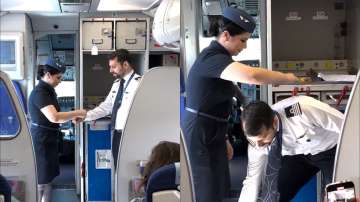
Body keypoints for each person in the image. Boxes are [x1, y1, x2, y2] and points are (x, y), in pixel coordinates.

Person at [180, 6, 307, 202]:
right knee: (203, 190)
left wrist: (223, 138)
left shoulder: (222, 59)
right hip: (199, 132)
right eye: (243, 40)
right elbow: (252, 75)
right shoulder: (212, 57)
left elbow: (221, 99)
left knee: (218, 188)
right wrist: (288, 78)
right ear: (226, 35)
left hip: (213, 130)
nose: (245, 46)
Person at [238, 96, 344, 202]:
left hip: (330, 149)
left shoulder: (303, 109)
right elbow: (252, 181)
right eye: (252, 141)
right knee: (274, 194)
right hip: (297, 156)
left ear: (274, 122)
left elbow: (347, 125)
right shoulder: (255, 146)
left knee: (338, 195)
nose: (258, 146)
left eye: (262, 139)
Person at [28, 58, 87, 202]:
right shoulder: (40, 92)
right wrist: (79, 112)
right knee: (41, 181)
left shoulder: (49, 91)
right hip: (41, 142)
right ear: (47, 75)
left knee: (48, 179)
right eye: (58, 77)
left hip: (49, 139)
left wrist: (70, 117)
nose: (60, 81)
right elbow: (54, 117)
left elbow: (57, 116)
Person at [82, 49, 141, 169]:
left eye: (113, 67)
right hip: (117, 134)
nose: (110, 70)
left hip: (131, 135)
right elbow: (106, 107)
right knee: (118, 169)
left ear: (125, 64)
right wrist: (85, 116)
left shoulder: (139, 83)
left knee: (128, 171)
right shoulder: (117, 83)